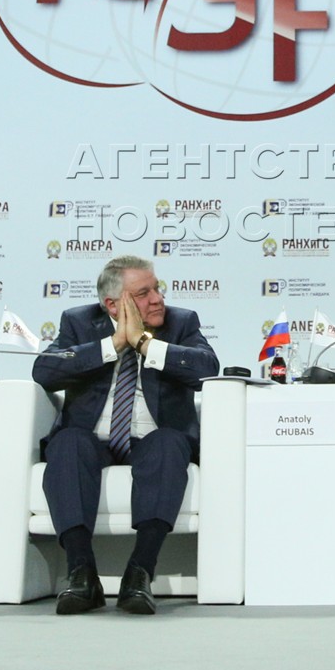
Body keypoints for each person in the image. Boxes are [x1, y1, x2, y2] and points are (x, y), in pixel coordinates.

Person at [33, 254, 219, 615]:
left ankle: (139, 573)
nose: (157, 299)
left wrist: (144, 343)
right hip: (93, 439)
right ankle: (81, 574)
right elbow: (45, 371)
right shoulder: (79, 321)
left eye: (157, 289)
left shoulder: (182, 322)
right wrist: (114, 344)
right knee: (67, 442)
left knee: (169, 443)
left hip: (152, 438)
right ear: (112, 305)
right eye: (143, 294)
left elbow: (206, 369)